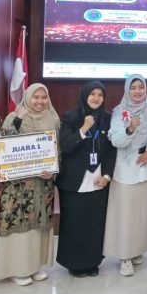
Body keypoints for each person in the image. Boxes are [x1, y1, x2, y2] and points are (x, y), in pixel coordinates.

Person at [0, 83, 59, 286]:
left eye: (43, 97)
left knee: (37, 226)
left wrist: (53, 170)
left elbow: (57, 150)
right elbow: (3, 144)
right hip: (17, 185)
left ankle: (34, 266)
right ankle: (16, 269)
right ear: (28, 98)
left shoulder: (52, 118)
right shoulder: (14, 117)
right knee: (18, 225)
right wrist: (19, 118)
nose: (40, 101)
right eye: (35, 97)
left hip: (42, 183)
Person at [104, 74, 147, 277]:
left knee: (143, 213)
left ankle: (137, 249)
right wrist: (130, 128)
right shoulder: (119, 112)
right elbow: (116, 141)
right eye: (133, 87)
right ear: (127, 90)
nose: (138, 91)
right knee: (126, 215)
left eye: (141, 87)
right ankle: (125, 256)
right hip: (125, 170)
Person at [56, 81, 116, 277]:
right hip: (74, 180)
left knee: (94, 223)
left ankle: (92, 261)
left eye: (100, 94)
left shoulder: (108, 118)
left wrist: (107, 175)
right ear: (85, 95)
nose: (96, 98)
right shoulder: (71, 116)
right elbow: (65, 146)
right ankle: (74, 263)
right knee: (74, 223)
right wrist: (83, 129)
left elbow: (112, 150)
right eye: (93, 94)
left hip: (98, 179)